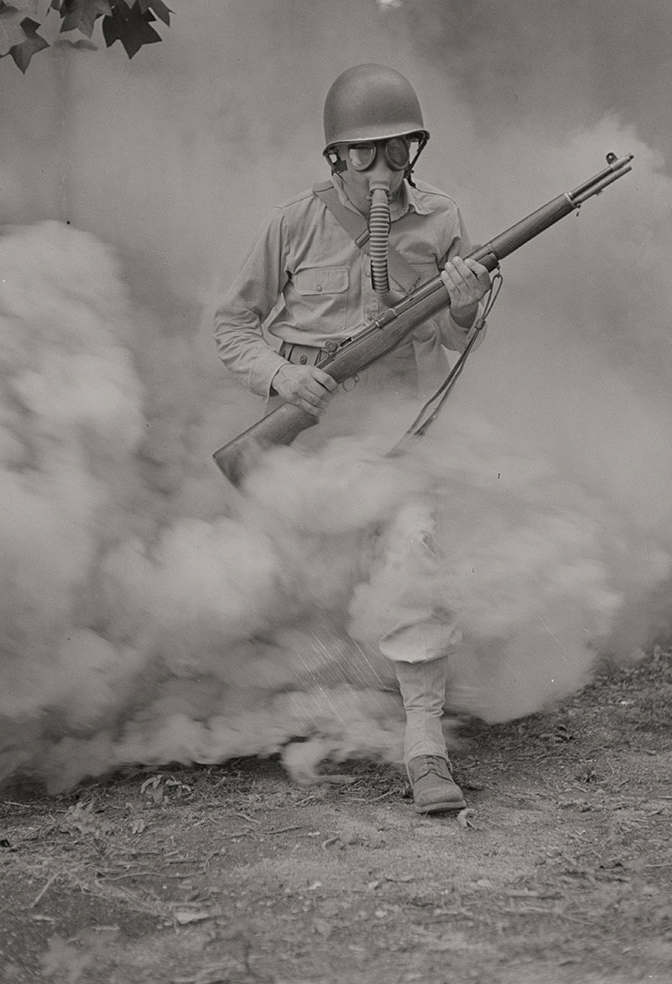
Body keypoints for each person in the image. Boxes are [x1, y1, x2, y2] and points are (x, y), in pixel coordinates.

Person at [214, 63, 492, 813]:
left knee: (411, 559)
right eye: (361, 153)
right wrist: (281, 378)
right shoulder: (292, 222)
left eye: (395, 150)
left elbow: (451, 336)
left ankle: (424, 748)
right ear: (334, 156)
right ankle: (314, 717)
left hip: (397, 432)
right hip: (307, 440)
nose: (380, 170)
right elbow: (232, 326)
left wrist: (463, 309)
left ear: (415, 149)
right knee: (290, 589)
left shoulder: (441, 219)